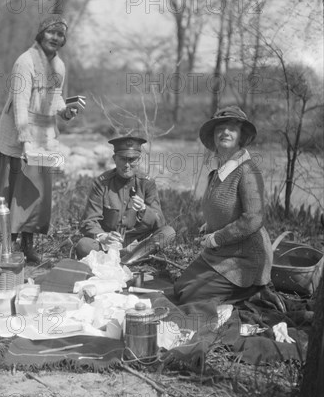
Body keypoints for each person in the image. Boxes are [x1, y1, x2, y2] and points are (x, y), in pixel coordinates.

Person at [0, 15, 84, 263]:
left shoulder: (59, 67)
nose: (55, 38)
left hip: (44, 135)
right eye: (51, 33)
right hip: (19, 133)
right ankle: (6, 245)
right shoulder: (24, 62)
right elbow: (20, 102)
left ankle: (28, 244)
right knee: (13, 189)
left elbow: (56, 98)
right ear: (41, 34)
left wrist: (66, 111)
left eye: (60, 35)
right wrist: (25, 139)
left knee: (35, 193)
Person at [173, 106, 273, 304]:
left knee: (190, 296)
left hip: (244, 259)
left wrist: (217, 237)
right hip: (219, 253)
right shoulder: (216, 173)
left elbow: (254, 218)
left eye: (231, 129)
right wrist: (208, 225)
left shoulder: (247, 171)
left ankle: (254, 293)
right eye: (220, 128)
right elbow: (221, 208)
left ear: (241, 137)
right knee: (179, 288)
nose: (225, 132)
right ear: (214, 136)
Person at [75, 136, 176, 262]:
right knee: (84, 245)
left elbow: (160, 222)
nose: (127, 165)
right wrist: (103, 237)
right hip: (109, 244)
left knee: (168, 232)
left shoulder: (147, 183)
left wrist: (144, 210)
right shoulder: (102, 183)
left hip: (138, 243)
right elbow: (89, 221)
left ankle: (126, 260)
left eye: (132, 159)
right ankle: (131, 260)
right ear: (114, 159)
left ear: (139, 160)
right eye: (122, 159)